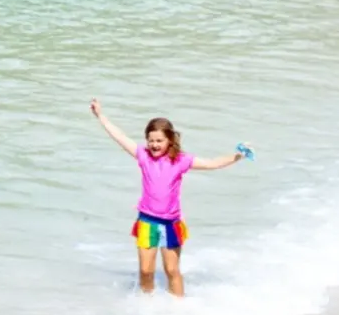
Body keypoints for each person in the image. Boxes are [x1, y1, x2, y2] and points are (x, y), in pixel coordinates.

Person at [89, 100, 249, 297]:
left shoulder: (181, 160)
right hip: (147, 221)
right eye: (151, 140)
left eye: (159, 141)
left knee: (172, 271)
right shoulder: (143, 155)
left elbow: (212, 163)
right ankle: (147, 309)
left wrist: (237, 156)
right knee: (146, 272)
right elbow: (119, 136)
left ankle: (178, 310)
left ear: (170, 141)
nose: (154, 145)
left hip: (171, 224)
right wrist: (100, 116)